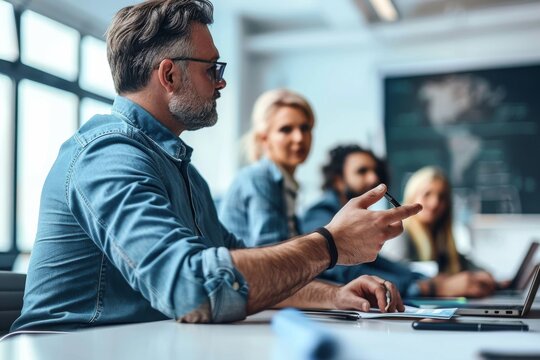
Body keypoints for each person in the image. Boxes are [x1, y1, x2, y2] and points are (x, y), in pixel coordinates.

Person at [11, 0, 422, 332]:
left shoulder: (182, 170)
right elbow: (191, 289)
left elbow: (240, 267)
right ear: (169, 75)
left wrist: (333, 295)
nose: (222, 82)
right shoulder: (106, 156)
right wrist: (330, 244)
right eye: (212, 69)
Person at [302, 145, 497, 298]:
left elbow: (384, 265)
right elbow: (341, 269)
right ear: (338, 180)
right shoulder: (320, 214)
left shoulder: (354, 220)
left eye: (376, 171)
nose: (374, 177)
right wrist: (426, 287)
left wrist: (426, 280)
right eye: (362, 171)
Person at [219, 88, 313, 247]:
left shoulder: (285, 183)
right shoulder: (259, 177)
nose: (299, 138)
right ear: (264, 138)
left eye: (305, 128)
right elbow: (273, 252)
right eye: (286, 129)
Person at [388, 166, 498, 296]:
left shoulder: (439, 237)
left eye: (441, 197)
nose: (435, 203)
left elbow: (463, 263)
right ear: (412, 197)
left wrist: (485, 276)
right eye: (427, 194)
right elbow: (394, 281)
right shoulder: (399, 233)